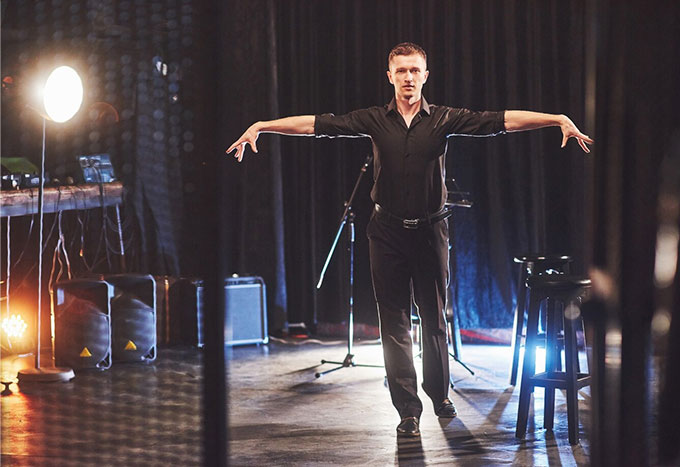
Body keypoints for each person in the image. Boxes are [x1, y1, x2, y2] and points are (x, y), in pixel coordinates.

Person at [226, 42, 592, 438]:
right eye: (401, 71)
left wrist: (556, 118)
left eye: (415, 70)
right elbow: (319, 125)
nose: (408, 77)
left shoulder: (444, 119)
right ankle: (407, 409)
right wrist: (263, 126)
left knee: (435, 320)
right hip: (385, 233)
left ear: (425, 75)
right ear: (390, 76)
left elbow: (498, 121)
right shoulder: (373, 120)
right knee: (394, 322)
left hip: (432, 231)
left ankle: (439, 393)